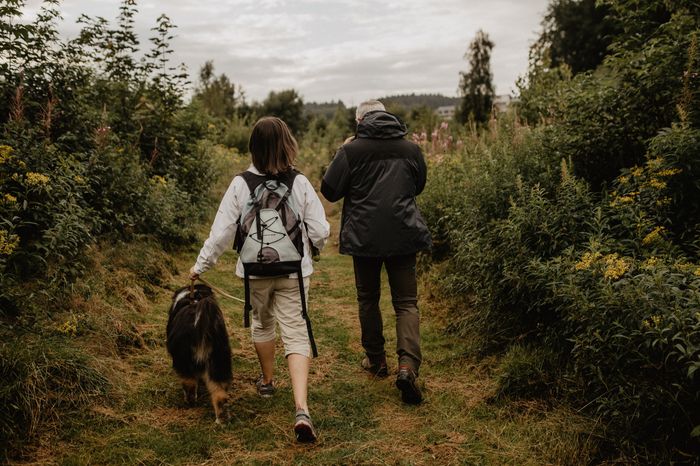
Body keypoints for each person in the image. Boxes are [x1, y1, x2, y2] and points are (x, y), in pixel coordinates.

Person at [189, 116, 330, 442]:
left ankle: (267, 382)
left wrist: (200, 265)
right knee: (296, 334)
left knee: (263, 326)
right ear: (287, 144)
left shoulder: (240, 184)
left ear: (254, 147)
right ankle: (301, 408)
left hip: (255, 270)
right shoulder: (300, 182)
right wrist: (314, 248)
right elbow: (321, 230)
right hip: (295, 270)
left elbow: (222, 232)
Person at [320, 100, 431, 405]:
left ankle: (377, 360)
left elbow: (329, 190)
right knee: (406, 302)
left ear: (359, 121)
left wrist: (342, 152)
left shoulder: (351, 150)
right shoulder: (410, 149)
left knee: (368, 298)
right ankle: (407, 366)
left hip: (365, 237)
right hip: (404, 233)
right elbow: (419, 184)